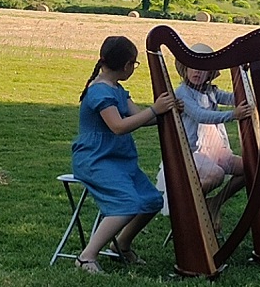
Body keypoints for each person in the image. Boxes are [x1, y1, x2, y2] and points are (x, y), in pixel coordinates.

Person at [71, 36, 178, 274]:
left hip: (119, 161)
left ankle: (121, 244)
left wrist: (166, 111)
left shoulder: (118, 90)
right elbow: (118, 126)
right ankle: (86, 257)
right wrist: (155, 109)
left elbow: (140, 118)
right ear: (127, 65)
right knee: (127, 204)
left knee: (151, 201)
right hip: (95, 160)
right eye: (135, 64)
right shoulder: (99, 92)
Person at [171, 43, 250, 223]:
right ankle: (188, 206)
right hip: (194, 152)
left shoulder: (211, 91)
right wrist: (233, 115)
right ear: (184, 68)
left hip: (216, 150)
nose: (197, 72)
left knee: (250, 167)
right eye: (193, 67)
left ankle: (214, 203)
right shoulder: (183, 92)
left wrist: (243, 75)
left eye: (203, 68)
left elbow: (238, 97)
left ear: (210, 73)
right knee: (216, 175)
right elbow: (201, 115)